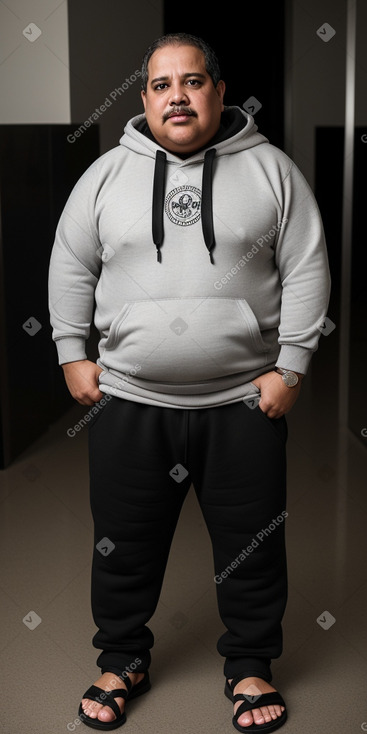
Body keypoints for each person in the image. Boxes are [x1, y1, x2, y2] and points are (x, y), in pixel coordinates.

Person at [48, 32, 330, 732]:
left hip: (241, 403)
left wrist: (290, 366)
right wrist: (70, 352)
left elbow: (306, 267)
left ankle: (250, 666)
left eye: (192, 81)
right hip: (130, 401)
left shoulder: (271, 169)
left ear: (218, 90)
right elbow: (70, 264)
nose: (176, 94)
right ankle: (121, 659)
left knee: (252, 545)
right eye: (160, 83)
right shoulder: (108, 174)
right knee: (123, 541)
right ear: (142, 98)